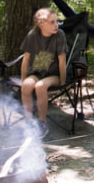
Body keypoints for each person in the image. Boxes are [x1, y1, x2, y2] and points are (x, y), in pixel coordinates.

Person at [19, 7, 67, 138]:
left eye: (57, 21)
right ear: (41, 24)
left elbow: (62, 60)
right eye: (52, 22)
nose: (56, 25)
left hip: (54, 74)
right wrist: (23, 79)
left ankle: (42, 122)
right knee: (27, 85)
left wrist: (62, 81)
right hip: (37, 71)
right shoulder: (33, 35)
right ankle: (29, 121)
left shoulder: (59, 35)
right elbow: (26, 58)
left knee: (40, 86)